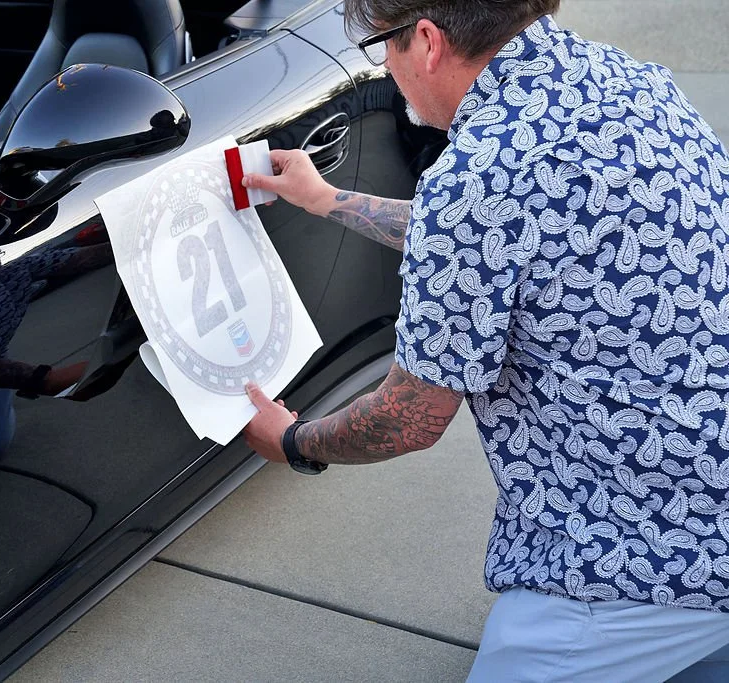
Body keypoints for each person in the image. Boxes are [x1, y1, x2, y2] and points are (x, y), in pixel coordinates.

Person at [241, 1, 729, 680]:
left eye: (383, 45)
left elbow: (408, 418)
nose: (384, 64)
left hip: (635, 560)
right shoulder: (630, 79)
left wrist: (293, 442)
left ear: (430, 43)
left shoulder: (475, 182)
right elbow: (498, 234)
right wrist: (330, 201)